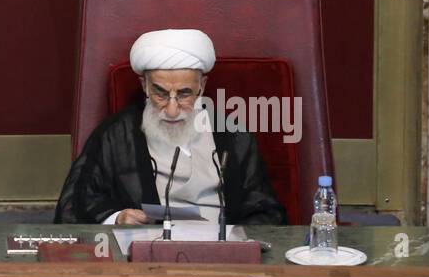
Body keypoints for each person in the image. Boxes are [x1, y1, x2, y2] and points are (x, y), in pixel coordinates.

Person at [55, 28, 286, 226]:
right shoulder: (116, 135)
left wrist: (237, 242)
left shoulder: (234, 137)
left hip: (221, 260)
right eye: (161, 93)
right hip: (148, 262)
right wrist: (116, 218)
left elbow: (265, 211)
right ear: (144, 85)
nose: (172, 109)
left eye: (184, 94)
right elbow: (73, 205)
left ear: (201, 87)